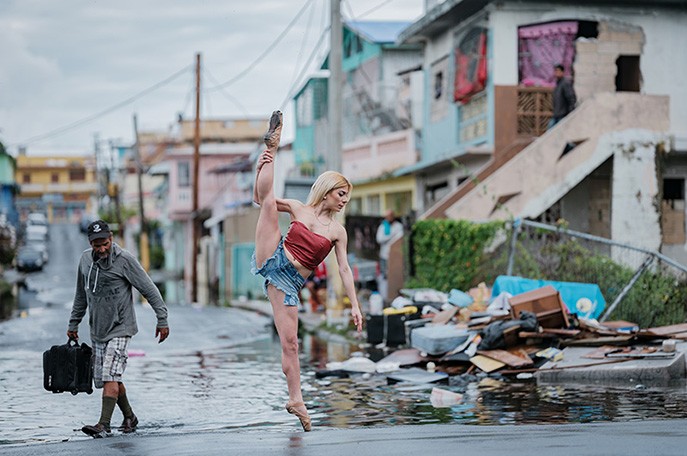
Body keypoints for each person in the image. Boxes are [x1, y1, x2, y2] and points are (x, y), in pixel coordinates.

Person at [251, 110, 363, 432]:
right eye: (342, 194)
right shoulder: (300, 208)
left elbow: (343, 269)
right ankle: (270, 148)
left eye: (347, 196)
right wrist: (260, 171)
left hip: (289, 281)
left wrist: (354, 304)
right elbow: (260, 201)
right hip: (273, 255)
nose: (344, 201)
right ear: (328, 190)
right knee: (270, 203)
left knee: (292, 344)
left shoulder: (337, 232)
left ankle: (296, 399)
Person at [67, 220, 169, 438]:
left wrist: (162, 318)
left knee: (110, 376)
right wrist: (73, 323)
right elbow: (80, 295)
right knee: (111, 377)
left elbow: (148, 288)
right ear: (90, 243)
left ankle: (103, 424)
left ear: (111, 238)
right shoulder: (85, 261)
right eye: (97, 245)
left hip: (121, 327)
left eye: (105, 243)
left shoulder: (124, 260)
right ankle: (130, 417)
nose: (102, 249)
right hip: (98, 330)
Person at [375, 209, 404, 281]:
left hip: (395, 255)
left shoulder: (398, 226)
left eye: (389, 216)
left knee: (394, 276)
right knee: (385, 276)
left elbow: (400, 237)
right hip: (384, 255)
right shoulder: (383, 226)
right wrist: (390, 236)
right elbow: (379, 239)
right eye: (386, 217)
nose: (387, 218)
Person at [548, 63, 577, 129]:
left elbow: (571, 98)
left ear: (562, 72)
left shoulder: (565, 83)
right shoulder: (558, 84)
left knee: (554, 130)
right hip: (557, 114)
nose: (556, 73)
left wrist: (570, 113)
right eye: (555, 71)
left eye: (558, 71)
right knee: (550, 131)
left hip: (563, 114)